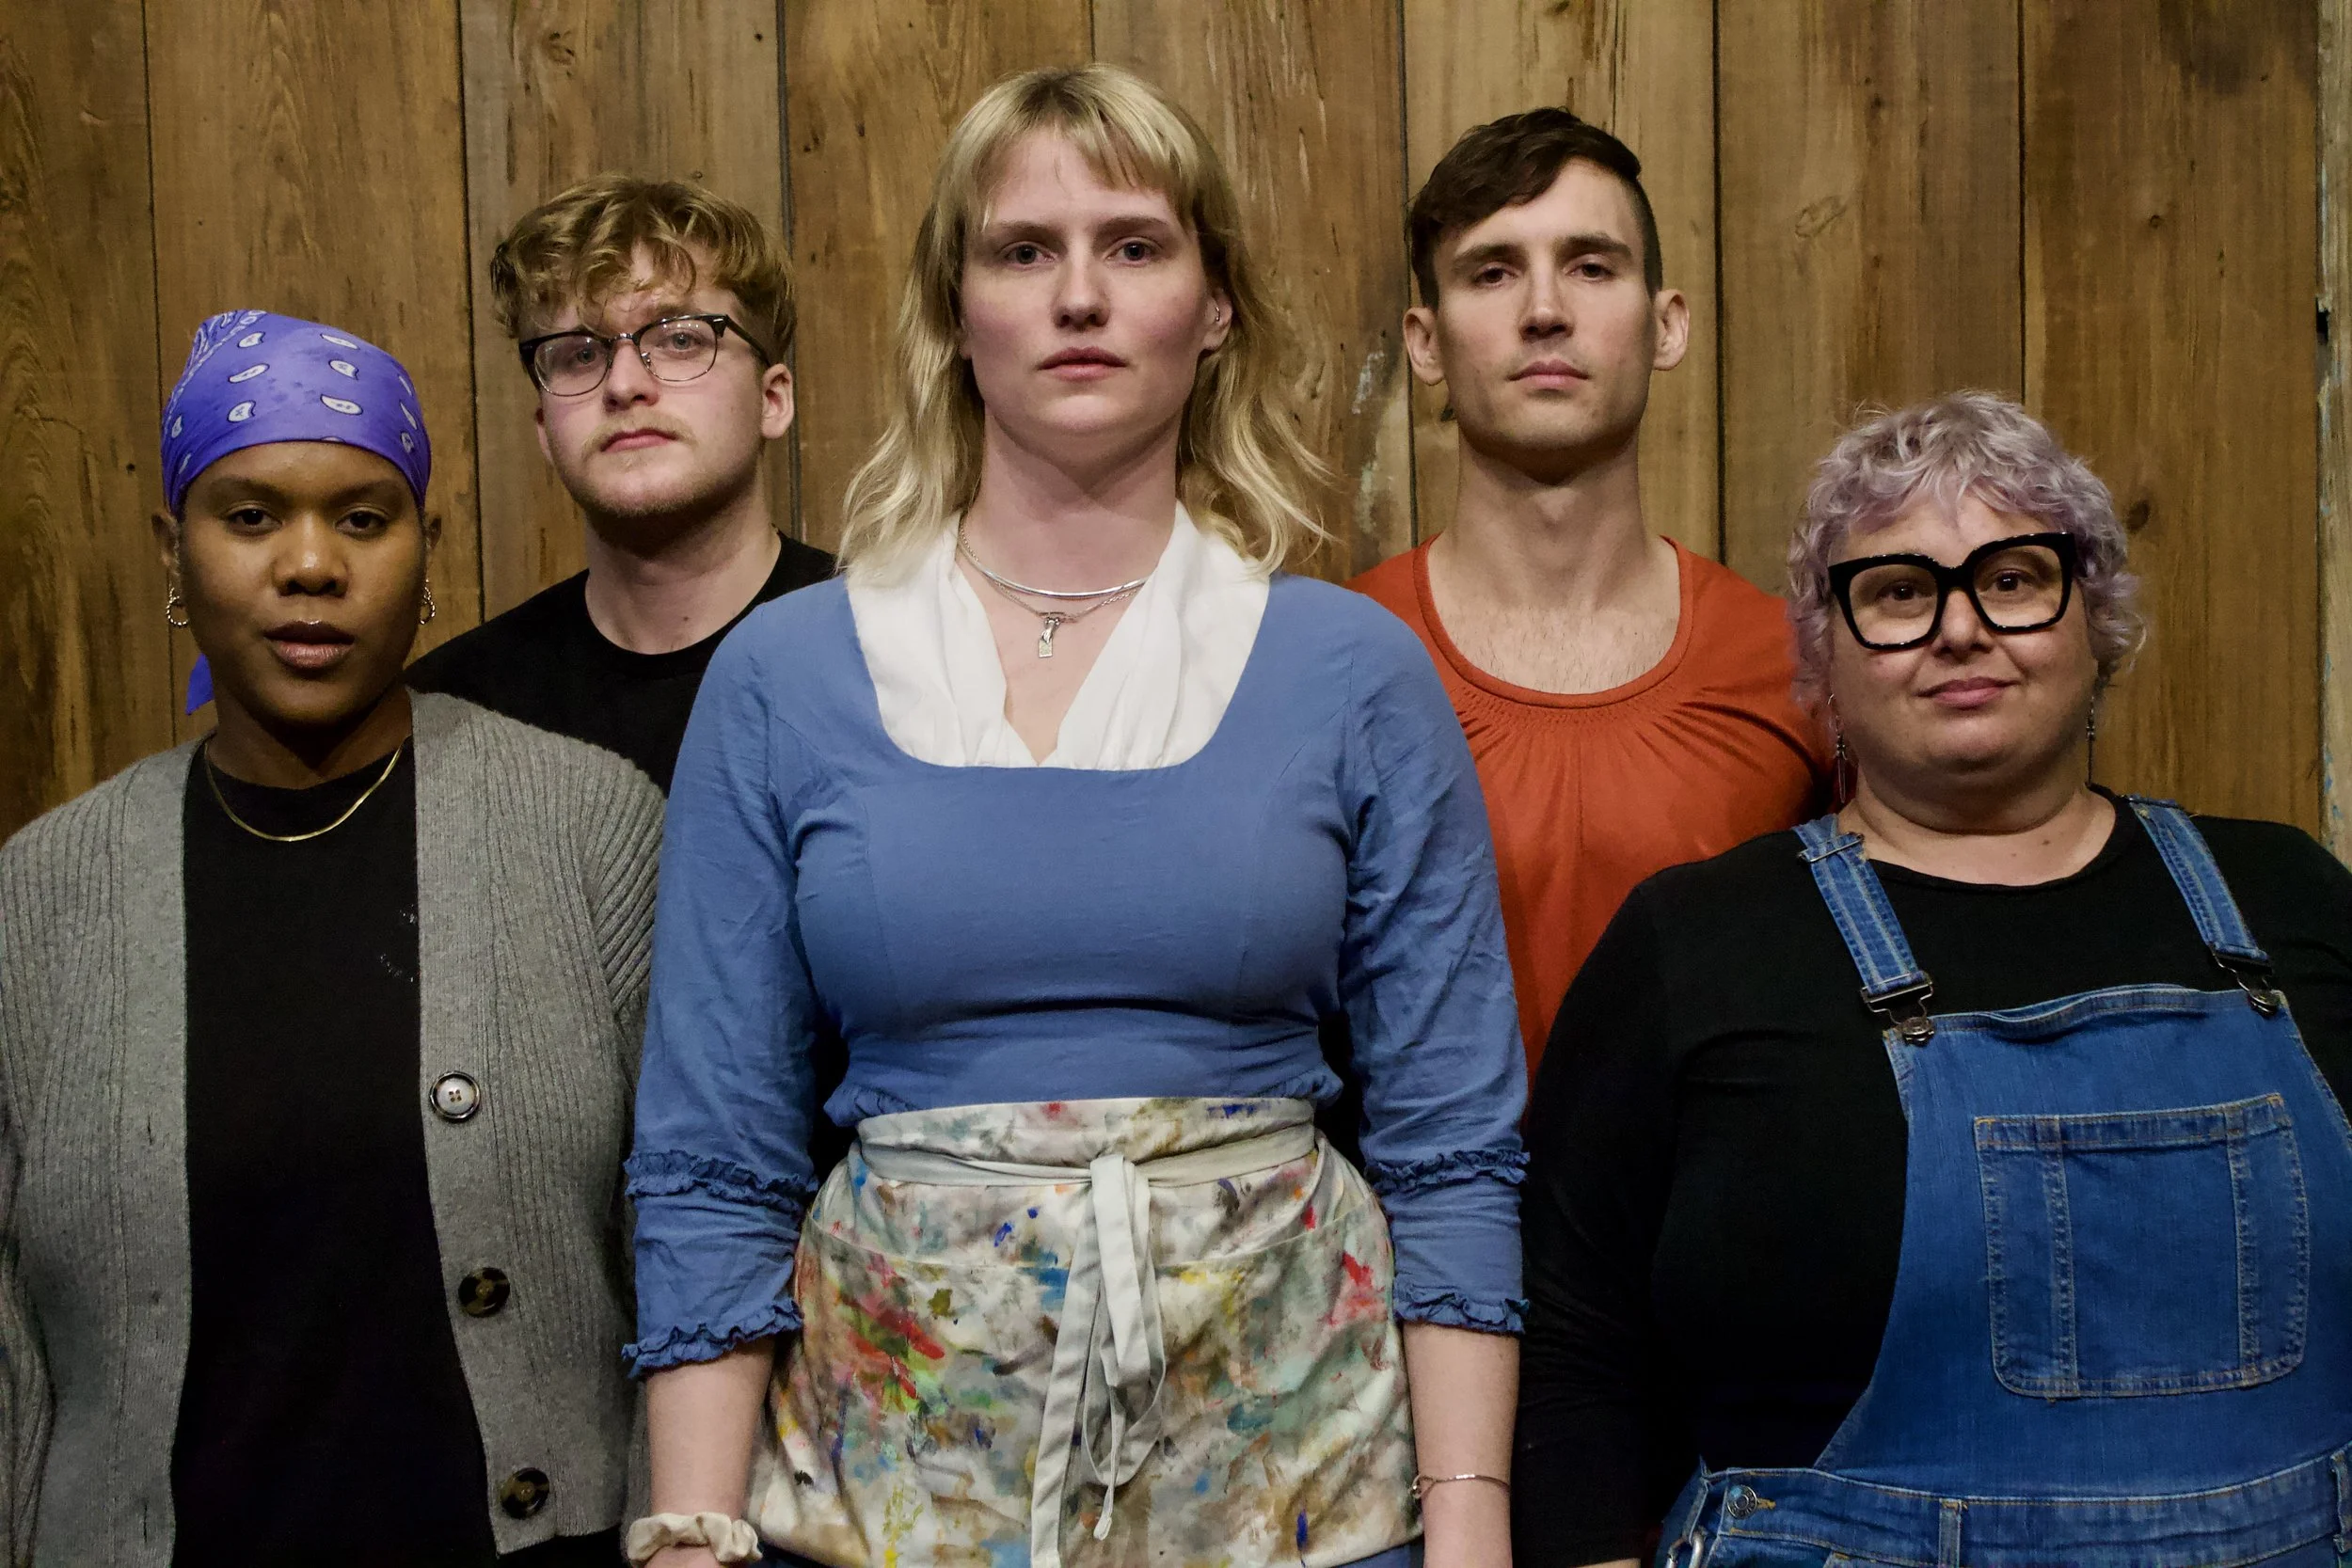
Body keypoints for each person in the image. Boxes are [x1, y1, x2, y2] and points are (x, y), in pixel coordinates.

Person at [621, 65, 1525, 1568]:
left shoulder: (1350, 669)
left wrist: (1471, 1521)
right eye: (1024, 249)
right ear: (954, 307)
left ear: (1214, 306)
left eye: (1136, 245)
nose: (1080, 296)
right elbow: (715, 1151)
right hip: (885, 1498)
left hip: (1305, 1491)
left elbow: (1452, 1140)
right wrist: (692, 1531)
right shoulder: (787, 674)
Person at [1514, 392, 2352, 1567]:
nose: (1960, 628)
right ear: (1825, 653)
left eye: (2011, 578)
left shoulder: (2290, 899)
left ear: (2096, 617)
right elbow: (1571, 1357)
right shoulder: (1697, 943)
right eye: (1900, 592)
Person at [0, 311, 664, 1568]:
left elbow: (690, 1240)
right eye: (251, 515)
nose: (310, 564)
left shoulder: (590, 829)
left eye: (363, 518)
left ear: (427, 548)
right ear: (173, 551)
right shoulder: (40, 897)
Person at [1351, 110, 1825, 1076]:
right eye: (1492, 272)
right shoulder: (1335, 658)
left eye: (1591, 267)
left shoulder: (1797, 665)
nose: (1544, 311)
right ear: (1425, 341)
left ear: (1666, 325)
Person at [405, 175, 834, 793]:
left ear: (772, 400)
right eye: (581, 353)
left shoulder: (899, 649)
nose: (624, 384)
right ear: (546, 430)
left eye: (681, 338)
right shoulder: (453, 713)